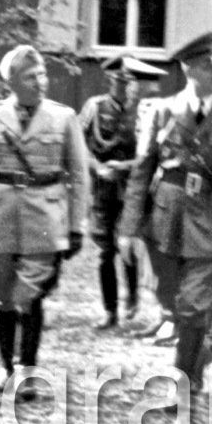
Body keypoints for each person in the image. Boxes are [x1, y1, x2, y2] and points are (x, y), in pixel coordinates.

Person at [120, 30, 212, 421]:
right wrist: (129, 228)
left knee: (192, 306)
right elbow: (141, 170)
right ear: (188, 69)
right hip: (166, 222)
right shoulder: (161, 111)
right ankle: (196, 369)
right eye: (208, 67)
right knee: (171, 301)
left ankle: (182, 388)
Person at [0, 44, 91, 400]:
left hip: (45, 217)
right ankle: (7, 367)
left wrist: (76, 226)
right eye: (31, 76)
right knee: (3, 295)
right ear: (12, 81)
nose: (41, 81)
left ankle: (26, 373)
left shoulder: (63, 118)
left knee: (28, 295)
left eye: (43, 74)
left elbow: (79, 175)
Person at [80, 51, 167, 329]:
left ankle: (132, 299)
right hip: (103, 189)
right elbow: (79, 146)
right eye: (118, 80)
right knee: (105, 251)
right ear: (109, 80)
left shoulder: (142, 112)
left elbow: (149, 157)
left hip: (131, 189)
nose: (123, 86)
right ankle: (110, 311)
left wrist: (124, 167)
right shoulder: (94, 107)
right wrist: (96, 168)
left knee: (128, 244)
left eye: (128, 81)